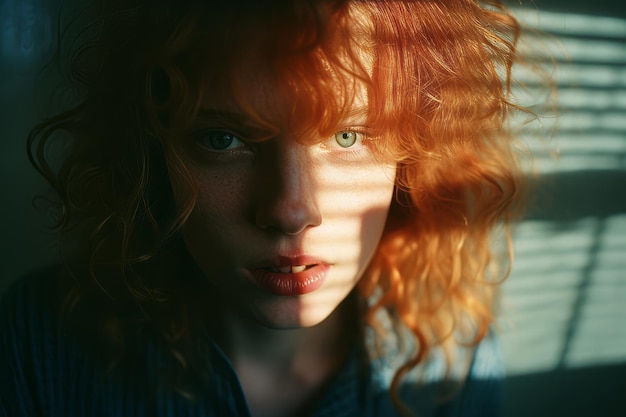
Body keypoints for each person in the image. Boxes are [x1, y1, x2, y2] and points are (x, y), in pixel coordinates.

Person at [1, 0, 529, 415]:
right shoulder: (40, 345)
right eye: (223, 138)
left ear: (412, 153)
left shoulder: (449, 364)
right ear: (152, 151)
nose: (291, 211)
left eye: (349, 135)